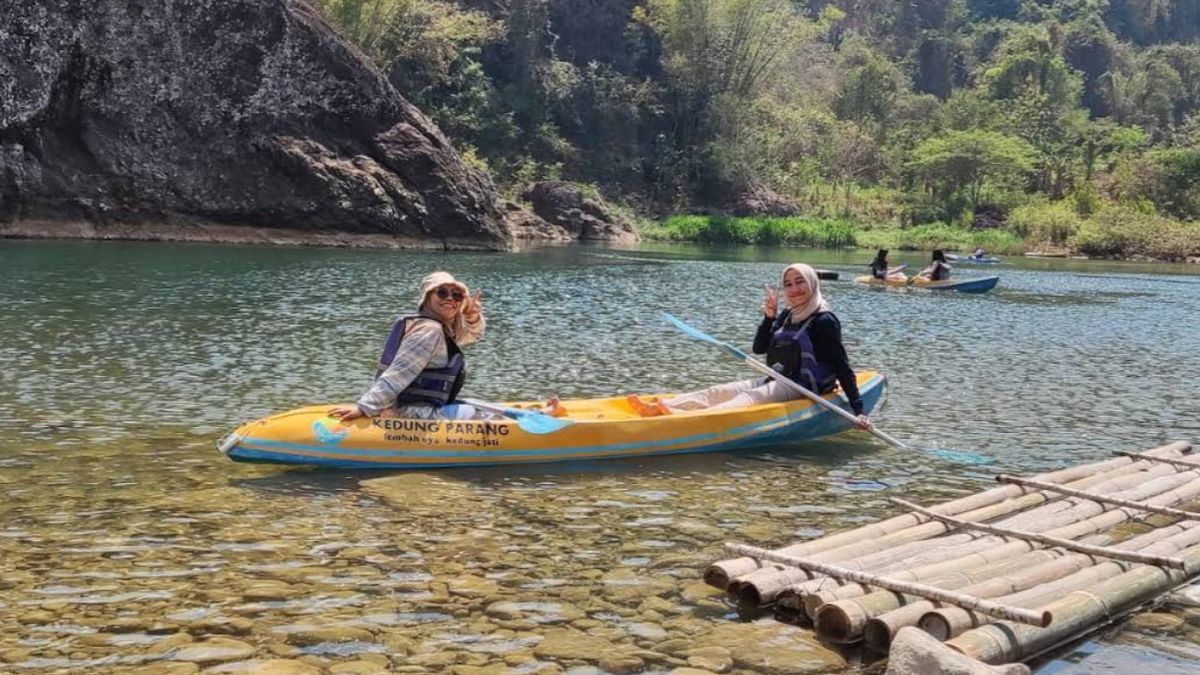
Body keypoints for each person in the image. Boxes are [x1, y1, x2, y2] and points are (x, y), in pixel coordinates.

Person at [626, 263, 870, 429]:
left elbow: (842, 365)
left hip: (805, 387)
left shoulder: (824, 320)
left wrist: (859, 411)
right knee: (717, 391)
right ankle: (661, 408)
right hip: (777, 378)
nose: (794, 289)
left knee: (750, 397)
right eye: (788, 284)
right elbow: (760, 349)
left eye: (800, 282)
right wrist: (769, 317)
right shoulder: (787, 314)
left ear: (812, 284)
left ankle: (684, 419)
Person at [328, 272, 566, 422]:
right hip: (409, 413)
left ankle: (532, 414)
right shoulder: (428, 331)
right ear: (427, 298)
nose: (450, 298)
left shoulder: (438, 328)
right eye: (442, 292)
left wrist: (471, 316)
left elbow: (470, 336)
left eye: (457, 295)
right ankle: (538, 419)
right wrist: (366, 407)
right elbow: (400, 373)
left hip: (415, 407)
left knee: (472, 403)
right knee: (473, 413)